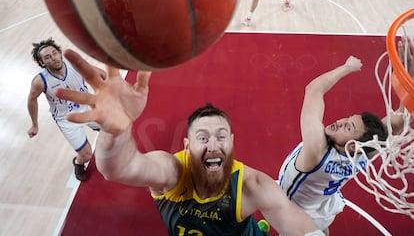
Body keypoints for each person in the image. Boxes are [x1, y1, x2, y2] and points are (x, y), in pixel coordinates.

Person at [55, 49, 324, 236]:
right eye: (203, 138)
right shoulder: (171, 172)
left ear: (231, 143)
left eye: (220, 136)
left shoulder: (253, 186)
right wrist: (115, 131)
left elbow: (298, 225)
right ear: (186, 146)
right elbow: (116, 169)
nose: (213, 145)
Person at [278, 54, 407, 235]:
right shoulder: (367, 150)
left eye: (348, 127)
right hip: (322, 205)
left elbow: (314, 89)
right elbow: (397, 123)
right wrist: (409, 77)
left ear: (353, 145)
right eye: (347, 119)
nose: (340, 121)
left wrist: (347, 67)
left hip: (296, 212)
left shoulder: (316, 150)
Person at [27, 38, 101, 181]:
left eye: (54, 53)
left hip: (86, 108)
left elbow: (98, 73)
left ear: (60, 53)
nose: (53, 58)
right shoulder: (40, 81)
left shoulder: (75, 65)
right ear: (42, 63)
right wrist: (35, 124)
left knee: (114, 127)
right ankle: (78, 163)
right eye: (47, 57)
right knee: (86, 155)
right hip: (66, 119)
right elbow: (31, 99)